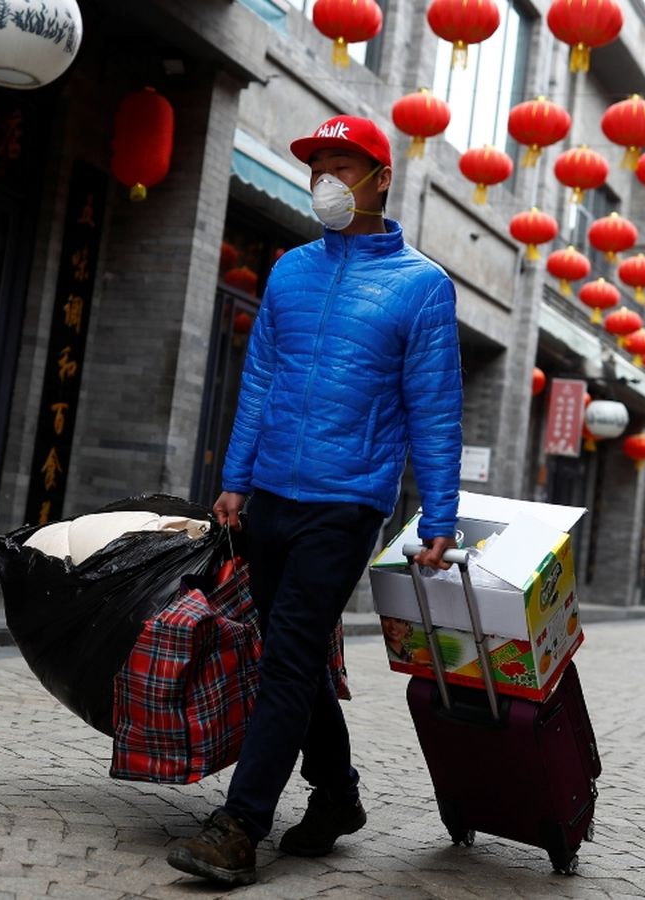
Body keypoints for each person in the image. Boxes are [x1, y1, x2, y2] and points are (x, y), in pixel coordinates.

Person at [165, 115, 462, 886]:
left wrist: (440, 516)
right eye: (316, 167)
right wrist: (236, 478)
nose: (326, 180)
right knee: (285, 654)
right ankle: (336, 796)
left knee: (290, 652)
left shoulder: (422, 286)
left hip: (348, 500)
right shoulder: (291, 270)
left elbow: (434, 407)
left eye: (342, 166)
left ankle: (240, 825)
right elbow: (259, 377)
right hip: (271, 494)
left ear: (381, 178)